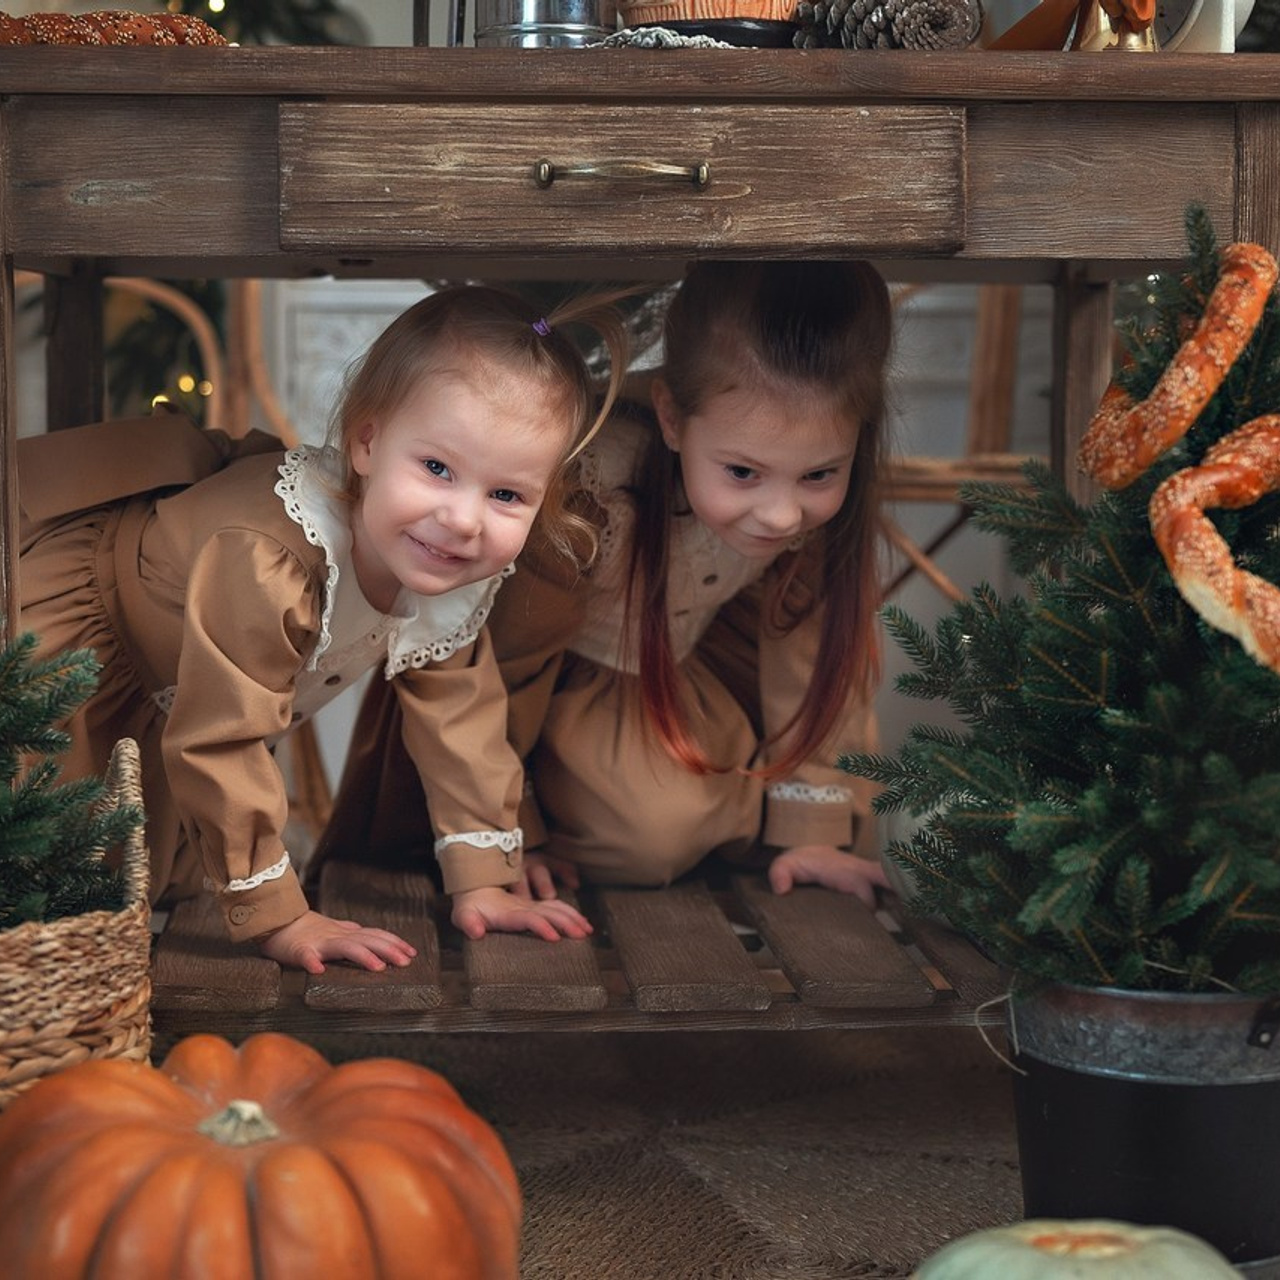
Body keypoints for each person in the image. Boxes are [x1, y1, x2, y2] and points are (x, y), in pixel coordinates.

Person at [17, 283, 630, 972]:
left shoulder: (444, 563)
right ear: (367, 442)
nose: (464, 519)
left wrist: (483, 879)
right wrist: (282, 919)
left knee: (148, 879)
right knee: (40, 868)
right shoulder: (269, 555)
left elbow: (464, 722)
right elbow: (223, 738)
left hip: (181, 692)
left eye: (507, 494)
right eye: (436, 468)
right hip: (87, 646)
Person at [322, 260, 893, 910]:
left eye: (819, 475)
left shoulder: (805, 489)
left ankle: (771, 817)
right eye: (742, 472)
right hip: (566, 686)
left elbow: (809, 653)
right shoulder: (598, 489)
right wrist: (515, 835)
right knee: (653, 834)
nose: (782, 514)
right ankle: (704, 813)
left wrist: (810, 832)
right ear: (673, 419)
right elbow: (508, 663)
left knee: (848, 768)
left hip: (697, 664)